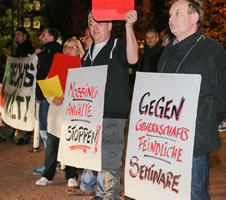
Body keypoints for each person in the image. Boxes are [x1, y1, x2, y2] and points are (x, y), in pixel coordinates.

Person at [157, 0, 226, 199]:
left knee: (194, 192)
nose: (171, 19)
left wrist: (204, 122)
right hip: (167, 136)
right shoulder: (168, 50)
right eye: (170, 15)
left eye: (177, 13)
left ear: (194, 18)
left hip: (195, 137)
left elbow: (221, 94)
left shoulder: (212, 49)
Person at [76, 10, 138, 200]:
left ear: (110, 26)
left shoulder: (117, 45)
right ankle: (102, 193)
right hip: (91, 116)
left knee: (110, 159)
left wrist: (129, 27)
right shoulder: (87, 55)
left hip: (111, 114)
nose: (95, 27)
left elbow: (132, 59)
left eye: (100, 23)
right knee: (95, 158)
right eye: (91, 23)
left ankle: (111, 196)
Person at [35, 37, 84, 187]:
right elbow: (49, 82)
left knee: (71, 143)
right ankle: (47, 175)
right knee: (52, 145)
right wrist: (52, 98)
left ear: (79, 51)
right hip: (56, 110)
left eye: (74, 47)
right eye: (67, 47)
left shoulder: (84, 67)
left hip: (73, 112)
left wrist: (66, 96)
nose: (70, 49)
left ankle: (71, 175)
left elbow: (85, 89)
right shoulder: (57, 63)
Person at [32, 27, 62, 175]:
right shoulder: (48, 50)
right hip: (46, 95)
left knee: (46, 131)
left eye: (43, 35)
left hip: (49, 96)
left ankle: (50, 164)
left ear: (51, 37)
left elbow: (49, 67)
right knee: (46, 131)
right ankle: (53, 162)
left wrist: (40, 55)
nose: (40, 37)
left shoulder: (53, 49)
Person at [0, 27, 34, 144]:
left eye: (19, 34)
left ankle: (25, 136)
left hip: (24, 88)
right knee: (13, 107)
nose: (17, 37)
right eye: (16, 35)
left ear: (25, 36)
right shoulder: (20, 48)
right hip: (18, 86)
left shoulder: (29, 49)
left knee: (23, 109)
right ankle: (8, 133)